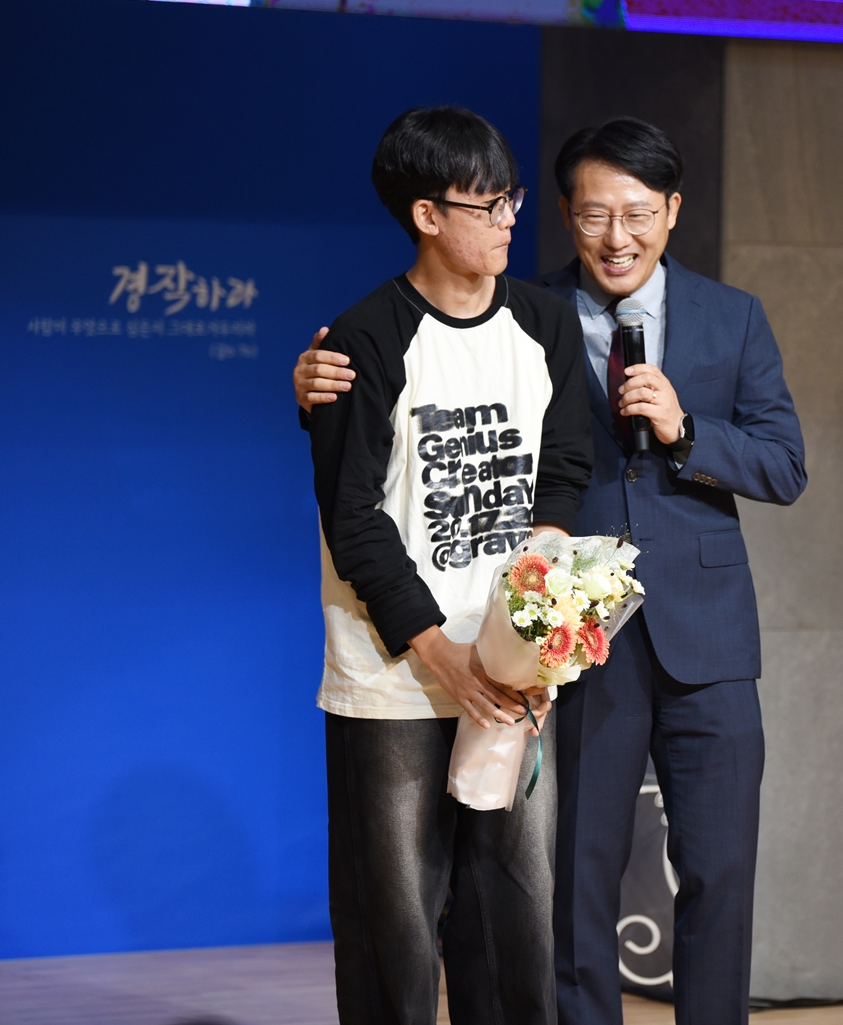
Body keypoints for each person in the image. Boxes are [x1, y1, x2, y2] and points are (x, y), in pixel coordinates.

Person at [296, 117, 806, 1025]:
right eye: (594, 214)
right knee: (550, 890)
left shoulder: (728, 317)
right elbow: (374, 466)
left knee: (713, 874)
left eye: (639, 213)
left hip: (701, 635)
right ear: (567, 217)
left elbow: (784, 465)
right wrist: (317, 392)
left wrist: (688, 431)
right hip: (558, 648)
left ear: (672, 210)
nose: (618, 236)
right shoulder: (524, 309)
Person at [305, 105, 593, 1025]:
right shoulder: (363, 340)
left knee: (517, 919)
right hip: (396, 679)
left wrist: (531, 625)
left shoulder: (546, 322)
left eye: (512, 199)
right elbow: (353, 519)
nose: (509, 220)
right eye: (487, 204)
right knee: (395, 926)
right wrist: (440, 653)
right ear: (427, 215)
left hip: (511, 674)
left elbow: (566, 466)